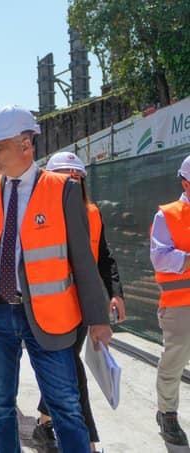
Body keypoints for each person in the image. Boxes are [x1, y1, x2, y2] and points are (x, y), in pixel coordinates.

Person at [0, 105, 113, 453]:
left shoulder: (63, 191)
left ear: (26, 145)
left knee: (66, 407)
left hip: (49, 316)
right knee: (1, 406)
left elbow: (83, 262)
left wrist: (98, 319)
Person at [30, 151, 126, 451]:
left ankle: (45, 422)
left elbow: (103, 257)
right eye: (65, 178)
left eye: (77, 178)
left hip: (84, 306)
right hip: (51, 308)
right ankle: (88, 441)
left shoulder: (93, 213)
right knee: (71, 371)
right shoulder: (38, 216)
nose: (72, 183)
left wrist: (115, 293)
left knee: (65, 367)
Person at [150, 154, 190, 446]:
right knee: (174, 361)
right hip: (180, 306)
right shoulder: (168, 215)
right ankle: (167, 413)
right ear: (186, 183)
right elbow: (160, 257)